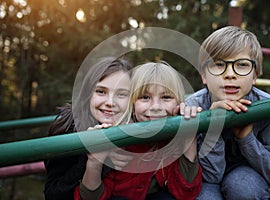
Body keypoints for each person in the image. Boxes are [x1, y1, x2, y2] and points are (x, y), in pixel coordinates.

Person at [186, 26, 270, 199]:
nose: (230, 74)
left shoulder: (269, 108)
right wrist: (214, 128)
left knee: (243, 187)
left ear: (255, 75)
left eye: (242, 65)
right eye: (219, 64)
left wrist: (246, 138)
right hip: (207, 177)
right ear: (204, 76)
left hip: (248, 174)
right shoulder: (194, 106)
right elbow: (211, 176)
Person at [73, 62, 203, 199]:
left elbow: (186, 193)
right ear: (132, 102)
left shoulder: (173, 137)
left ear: (178, 102)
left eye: (166, 97)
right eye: (145, 97)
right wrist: (95, 161)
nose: (156, 107)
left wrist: (189, 134)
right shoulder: (117, 137)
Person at [44, 57, 134, 200]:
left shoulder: (135, 124)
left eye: (121, 94)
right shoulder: (67, 129)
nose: (110, 102)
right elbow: (53, 194)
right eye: (101, 92)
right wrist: (98, 158)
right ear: (88, 93)